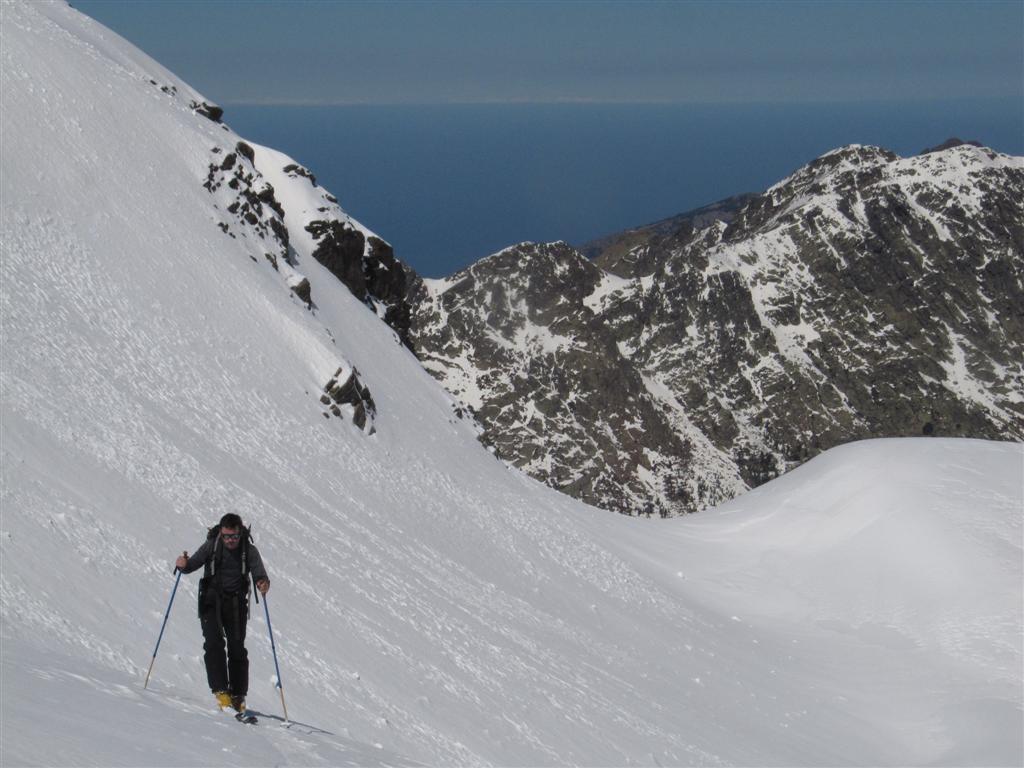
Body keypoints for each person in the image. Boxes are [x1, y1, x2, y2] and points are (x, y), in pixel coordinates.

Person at [175, 513, 270, 713]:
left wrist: (263, 583)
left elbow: (259, 573)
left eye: (234, 536)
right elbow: (192, 564)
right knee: (213, 643)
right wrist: (182, 564)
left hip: (236, 603)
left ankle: (238, 694)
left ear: (240, 533)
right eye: (227, 536)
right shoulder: (212, 545)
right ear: (221, 532)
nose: (230, 541)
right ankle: (221, 691)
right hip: (211, 600)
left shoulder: (249, 550)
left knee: (237, 647)